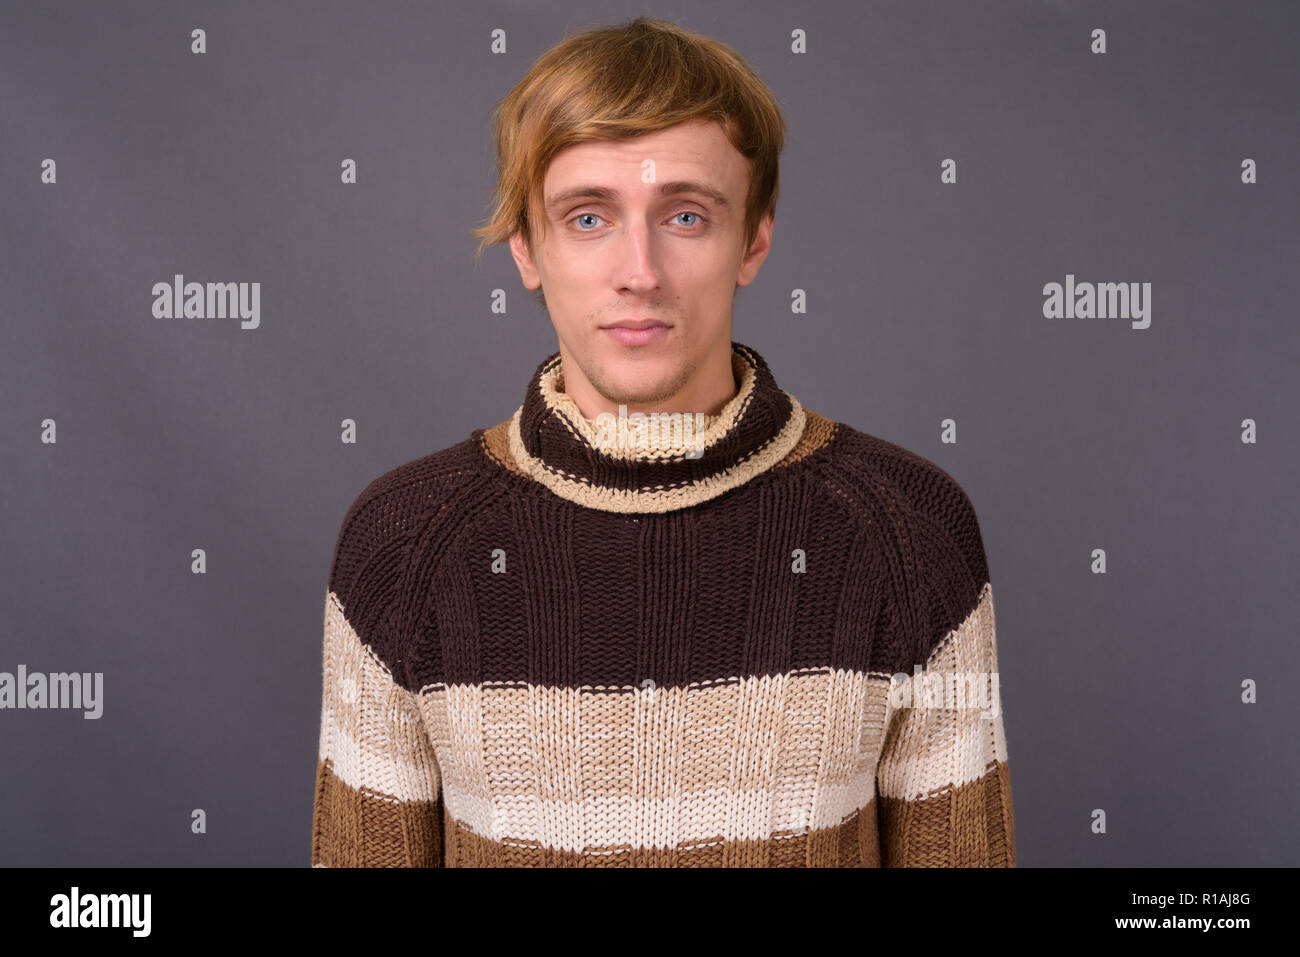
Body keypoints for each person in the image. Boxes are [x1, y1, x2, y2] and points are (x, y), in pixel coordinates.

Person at [310, 15, 1015, 867]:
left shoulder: (909, 528)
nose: (639, 270)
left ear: (752, 240)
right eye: (587, 217)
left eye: (685, 215)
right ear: (527, 249)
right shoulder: (402, 542)